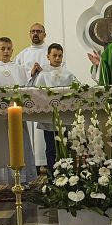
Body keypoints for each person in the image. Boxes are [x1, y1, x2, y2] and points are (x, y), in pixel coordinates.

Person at [0, 37, 37, 186]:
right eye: (3, 48)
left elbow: (25, 88)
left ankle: (22, 179)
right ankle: (4, 180)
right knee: (4, 145)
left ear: (12, 50)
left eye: (8, 48)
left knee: (21, 143)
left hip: (17, 114)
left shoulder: (18, 68)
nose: (6, 51)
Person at [33, 43, 78, 179]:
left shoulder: (69, 74)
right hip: (49, 119)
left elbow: (77, 90)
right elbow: (37, 94)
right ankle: (52, 178)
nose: (57, 58)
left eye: (60, 56)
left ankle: (67, 177)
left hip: (65, 118)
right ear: (48, 56)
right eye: (54, 55)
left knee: (65, 147)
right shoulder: (43, 75)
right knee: (51, 149)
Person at [15, 23, 49, 170]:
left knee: (44, 133)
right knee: (30, 131)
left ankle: (46, 163)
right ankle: (32, 165)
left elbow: (58, 71)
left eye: (39, 31)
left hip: (45, 99)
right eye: (33, 31)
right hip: (28, 99)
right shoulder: (22, 55)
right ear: (29, 34)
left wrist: (43, 73)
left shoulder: (51, 51)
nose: (36, 34)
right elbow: (17, 76)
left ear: (44, 34)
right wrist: (31, 73)